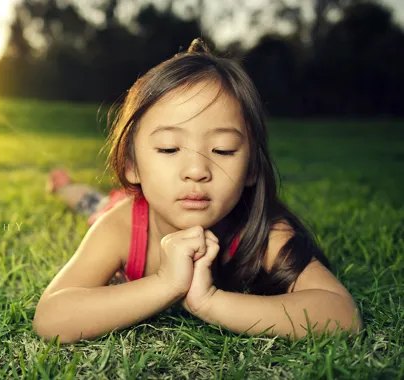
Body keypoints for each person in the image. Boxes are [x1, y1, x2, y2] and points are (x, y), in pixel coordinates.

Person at [33, 38, 364, 344]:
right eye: (168, 149)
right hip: (121, 205)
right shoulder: (120, 226)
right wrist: (165, 282)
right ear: (132, 164)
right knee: (94, 203)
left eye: (222, 150)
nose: (196, 171)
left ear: (251, 167)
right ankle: (64, 186)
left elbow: (342, 316)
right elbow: (51, 317)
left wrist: (210, 302)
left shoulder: (262, 228)